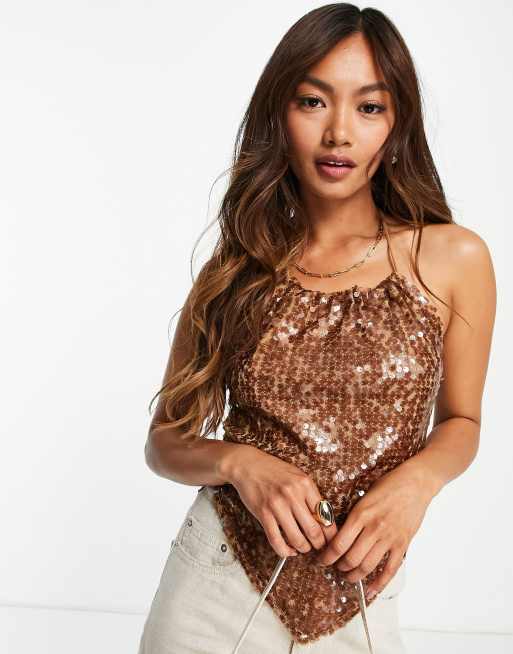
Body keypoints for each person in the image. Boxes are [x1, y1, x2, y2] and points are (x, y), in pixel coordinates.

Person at [137, 4, 496, 653]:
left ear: (397, 124)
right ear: (279, 113)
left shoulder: (451, 257)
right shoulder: (236, 270)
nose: (338, 133)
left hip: (360, 597)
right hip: (214, 584)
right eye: (312, 101)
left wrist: (416, 485)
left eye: (369, 107)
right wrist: (239, 463)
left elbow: (461, 422)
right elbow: (165, 441)